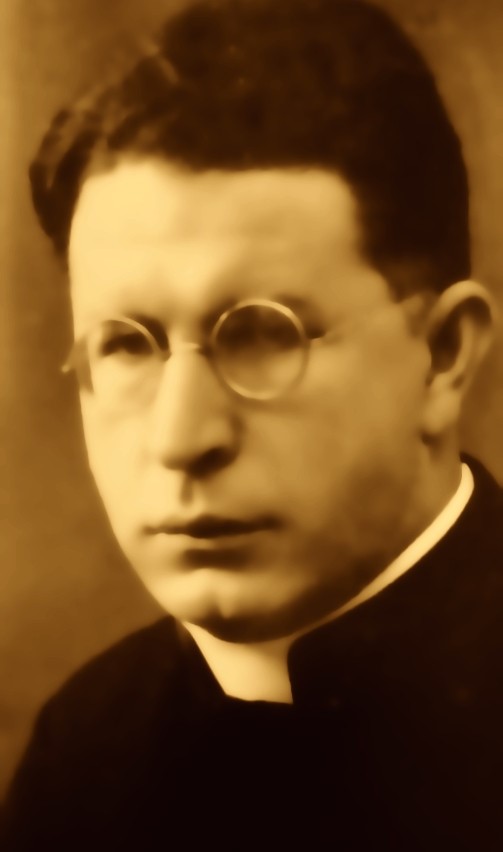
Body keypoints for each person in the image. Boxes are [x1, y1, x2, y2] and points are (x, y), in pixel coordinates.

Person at [3, 0, 502, 849]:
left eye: (263, 335)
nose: (180, 438)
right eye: (124, 345)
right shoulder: (82, 749)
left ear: (441, 356)